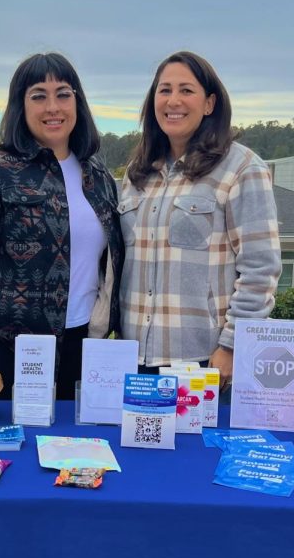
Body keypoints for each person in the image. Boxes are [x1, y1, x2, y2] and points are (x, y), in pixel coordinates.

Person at [0, 53, 123, 400]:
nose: (53, 107)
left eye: (63, 94)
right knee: (7, 449)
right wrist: (5, 309)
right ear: (21, 104)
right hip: (6, 346)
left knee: (72, 448)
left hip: (83, 343)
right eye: (39, 95)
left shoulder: (98, 177)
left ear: (77, 102)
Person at [119, 51, 280, 385]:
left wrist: (231, 346)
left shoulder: (242, 169)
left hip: (202, 362)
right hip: (132, 359)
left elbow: (260, 268)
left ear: (209, 104)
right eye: (164, 90)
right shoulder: (138, 174)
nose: (173, 100)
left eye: (186, 90)